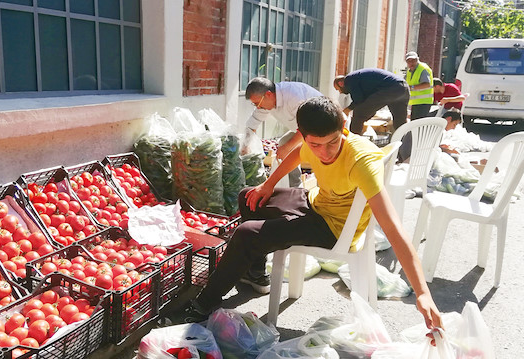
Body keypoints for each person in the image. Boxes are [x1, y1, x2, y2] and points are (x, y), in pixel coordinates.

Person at [185, 96, 442, 336]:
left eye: (332, 142)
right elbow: (298, 153)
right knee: (249, 196)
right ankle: (255, 273)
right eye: (315, 144)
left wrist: (422, 293)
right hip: (316, 202)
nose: (324, 153)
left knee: (246, 233)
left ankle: (204, 303)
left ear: (343, 129)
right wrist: (268, 185)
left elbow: (394, 229)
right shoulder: (313, 144)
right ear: (304, 136)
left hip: (335, 228)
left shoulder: (361, 162)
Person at [243, 77, 323, 187]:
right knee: (284, 143)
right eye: (255, 105)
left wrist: (287, 147)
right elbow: (252, 124)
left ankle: (323, 192)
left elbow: (307, 126)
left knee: (319, 157)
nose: (258, 107)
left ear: (268, 94)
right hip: (304, 129)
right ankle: (294, 187)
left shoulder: (293, 96)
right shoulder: (265, 104)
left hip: (322, 129)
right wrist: (245, 145)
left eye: (258, 103)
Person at [333, 68, 410, 135]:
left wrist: (347, 109)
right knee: (400, 124)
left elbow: (359, 100)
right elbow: (367, 102)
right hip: (403, 88)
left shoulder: (349, 80)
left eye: (338, 89)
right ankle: (407, 149)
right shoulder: (359, 78)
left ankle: (353, 143)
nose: (340, 92)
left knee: (358, 113)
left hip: (391, 88)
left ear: (341, 83)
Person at [405, 52, 434, 120]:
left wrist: (411, 87)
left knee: (418, 124)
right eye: (409, 61)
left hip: (424, 102)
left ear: (417, 60)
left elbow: (427, 84)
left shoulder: (423, 69)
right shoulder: (409, 71)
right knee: (415, 124)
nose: (411, 63)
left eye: (413, 60)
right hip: (416, 102)